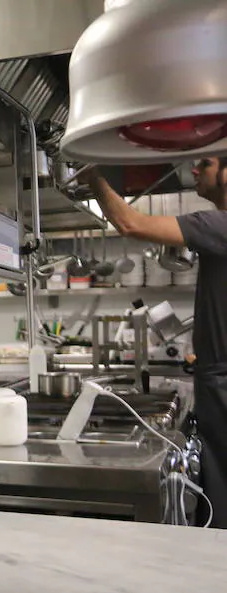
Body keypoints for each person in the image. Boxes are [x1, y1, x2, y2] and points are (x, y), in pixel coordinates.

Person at [82, 158, 227, 527]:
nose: (195, 171)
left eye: (205, 164)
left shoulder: (218, 223)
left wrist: (91, 175)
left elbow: (131, 223)